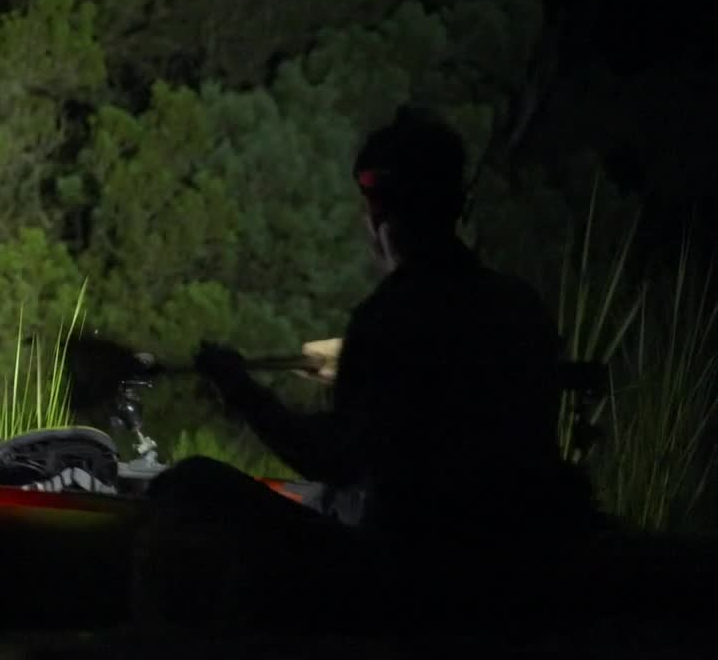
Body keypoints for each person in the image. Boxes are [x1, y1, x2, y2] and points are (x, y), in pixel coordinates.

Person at [133, 106, 599, 633]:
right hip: (512, 569)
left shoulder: (388, 318)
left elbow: (328, 457)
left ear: (379, 216)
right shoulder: (518, 305)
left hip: (408, 579)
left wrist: (241, 390)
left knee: (190, 483)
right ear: (457, 206)